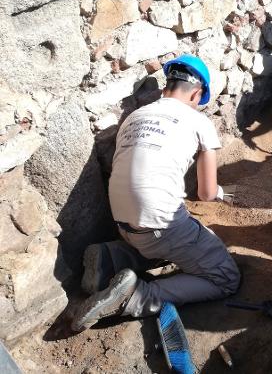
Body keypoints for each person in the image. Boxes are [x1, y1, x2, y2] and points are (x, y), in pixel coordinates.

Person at [71, 54, 240, 332]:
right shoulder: (198, 122)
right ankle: (135, 298)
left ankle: (110, 259)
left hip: (124, 225)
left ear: (166, 88)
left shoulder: (134, 117)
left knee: (162, 240)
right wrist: (220, 191)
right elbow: (207, 194)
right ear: (196, 94)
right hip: (160, 227)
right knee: (226, 278)